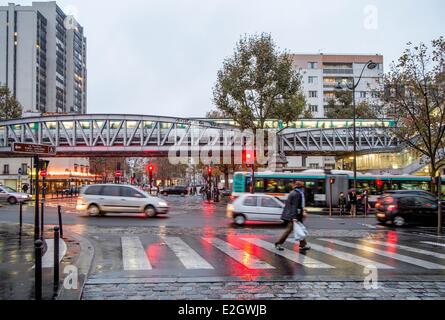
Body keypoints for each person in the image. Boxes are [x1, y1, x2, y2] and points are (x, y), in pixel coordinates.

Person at [275, 181, 310, 252]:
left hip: (295, 215)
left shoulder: (295, 192)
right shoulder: (297, 194)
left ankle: (303, 244)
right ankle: (278, 243)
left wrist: (303, 211)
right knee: (289, 230)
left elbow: (296, 206)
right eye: (303, 187)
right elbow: (294, 206)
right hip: (293, 215)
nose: (303, 189)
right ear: (301, 187)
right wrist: (294, 217)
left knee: (299, 229)